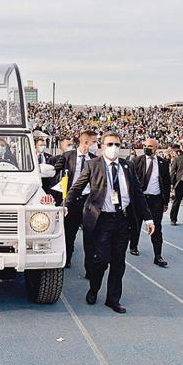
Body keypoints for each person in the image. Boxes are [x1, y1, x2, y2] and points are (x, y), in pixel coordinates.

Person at [67, 131, 154, 314]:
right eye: (109, 144)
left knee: (119, 262)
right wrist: (66, 205)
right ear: (101, 147)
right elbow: (76, 188)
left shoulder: (127, 166)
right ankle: (94, 288)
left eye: (117, 144)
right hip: (101, 220)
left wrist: (148, 217)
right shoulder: (93, 165)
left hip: (122, 220)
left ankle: (113, 299)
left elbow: (137, 194)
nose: (113, 148)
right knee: (101, 260)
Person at [58, 130, 98, 271]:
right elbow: (54, 173)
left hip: (89, 201)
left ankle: (90, 268)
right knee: (69, 233)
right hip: (72, 200)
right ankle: (67, 259)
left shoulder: (95, 159)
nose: (96, 145)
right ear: (86, 142)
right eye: (94, 142)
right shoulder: (68, 156)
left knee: (91, 235)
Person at [131, 138, 171, 267]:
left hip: (156, 200)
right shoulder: (137, 161)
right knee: (136, 224)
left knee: (157, 227)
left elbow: (167, 183)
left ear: (156, 148)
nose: (147, 148)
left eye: (150, 146)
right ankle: (133, 245)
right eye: (145, 146)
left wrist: (166, 202)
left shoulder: (163, 163)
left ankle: (158, 256)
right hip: (140, 199)